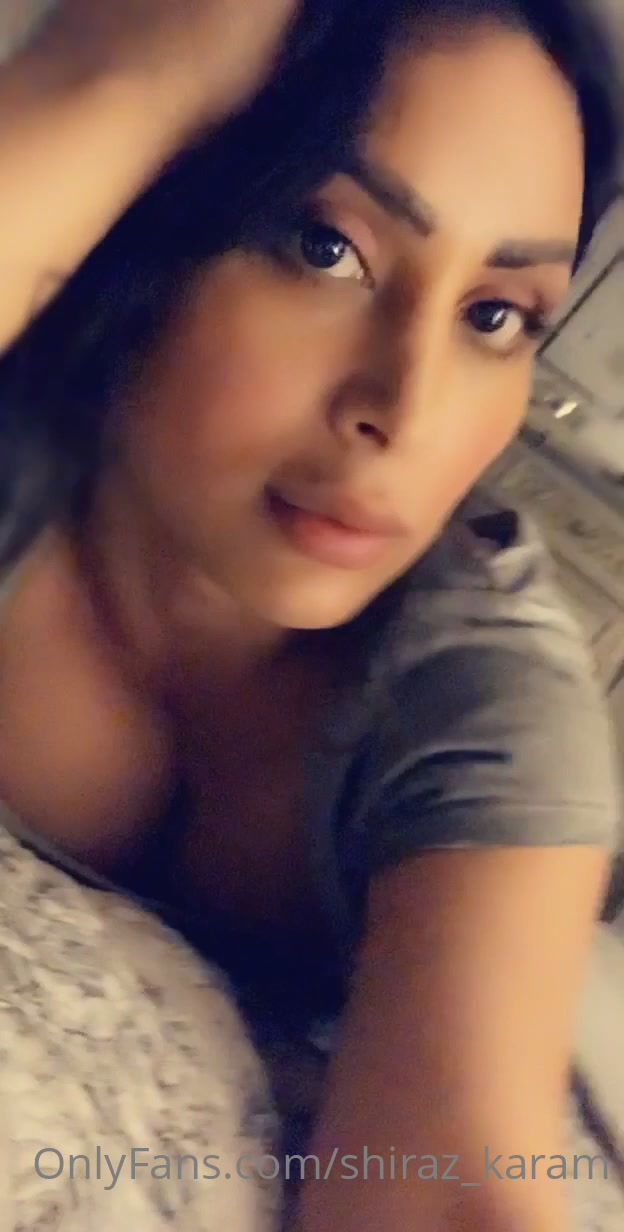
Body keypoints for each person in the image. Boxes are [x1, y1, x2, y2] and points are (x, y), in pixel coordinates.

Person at [0, 1, 621, 1229]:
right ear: (156, 217)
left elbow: (452, 1187)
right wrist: (119, 83)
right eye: (324, 246)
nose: (406, 406)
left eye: (495, 315)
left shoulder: (477, 699)